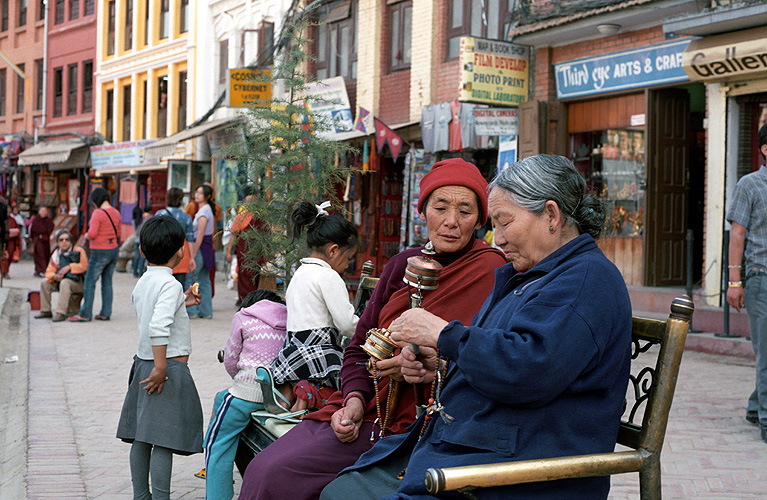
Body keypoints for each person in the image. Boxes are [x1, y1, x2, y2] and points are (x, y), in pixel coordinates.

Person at [320, 154, 632, 500]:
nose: (497, 239)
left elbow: (527, 369)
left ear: (551, 216)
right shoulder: (534, 276)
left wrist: (442, 334)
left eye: (504, 222)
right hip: (475, 448)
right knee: (341, 491)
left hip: (517, 469)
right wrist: (439, 365)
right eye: (494, 226)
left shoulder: (583, 280)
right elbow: (508, 351)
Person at [238, 158, 507, 500]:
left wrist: (434, 368)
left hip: (431, 426)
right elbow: (357, 348)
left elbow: (496, 358)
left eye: (465, 212)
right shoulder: (401, 265)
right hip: (371, 414)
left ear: (480, 220)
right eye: (440, 207)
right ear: (423, 211)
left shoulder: (491, 271)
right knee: (270, 470)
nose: (451, 222)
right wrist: (352, 399)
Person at [116, 215, 203, 500]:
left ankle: (141, 496)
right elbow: (158, 326)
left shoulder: (144, 281)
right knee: (162, 441)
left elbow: (154, 312)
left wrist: (184, 301)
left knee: (142, 438)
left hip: (143, 364)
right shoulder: (170, 285)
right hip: (165, 369)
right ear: (180, 251)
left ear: (141, 251)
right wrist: (162, 366)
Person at [269, 201, 360, 412]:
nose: (347, 266)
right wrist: (367, 328)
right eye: (348, 259)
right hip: (319, 352)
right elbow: (346, 324)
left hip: (292, 351)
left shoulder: (299, 273)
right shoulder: (328, 276)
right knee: (345, 386)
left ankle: (290, 395)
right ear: (333, 250)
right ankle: (307, 394)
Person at [202, 289, 288, 500]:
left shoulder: (243, 317)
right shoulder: (289, 319)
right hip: (277, 398)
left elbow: (231, 358)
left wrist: (240, 380)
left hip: (244, 395)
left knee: (217, 446)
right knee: (222, 398)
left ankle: (217, 496)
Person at [727, 123, 767, 443]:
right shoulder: (749, 185)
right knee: (766, 352)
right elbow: (737, 235)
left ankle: (756, 406)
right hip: (760, 278)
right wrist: (734, 281)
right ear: (765, 149)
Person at [69, 188, 121, 322]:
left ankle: (85, 313)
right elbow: (119, 233)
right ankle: (105, 312)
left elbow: (92, 234)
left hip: (99, 251)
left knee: (90, 282)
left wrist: (86, 235)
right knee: (107, 282)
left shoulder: (98, 213)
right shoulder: (116, 212)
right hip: (113, 250)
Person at [35, 230, 88, 322]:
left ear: (70, 241)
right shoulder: (56, 254)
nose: (64, 242)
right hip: (61, 282)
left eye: (67, 239)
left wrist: (70, 267)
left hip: (78, 282)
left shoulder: (78, 250)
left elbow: (84, 266)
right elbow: (49, 271)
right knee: (44, 283)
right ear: (58, 242)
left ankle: (60, 313)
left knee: (65, 282)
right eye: (61, 240)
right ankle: (46, 310)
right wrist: (55, 277)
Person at [227, 187, 266, 305]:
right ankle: (244, 299)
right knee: (243, 278)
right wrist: (229, 252)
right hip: (243, 252)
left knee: (254, 277)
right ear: (244, 200)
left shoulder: (262, 216)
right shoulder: (241, 216)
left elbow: (266, 235)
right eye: (249, 200)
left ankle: (252, 300)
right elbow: (233, 235)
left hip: (256, 252)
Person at [187, 184, 216, 319]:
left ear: (207, 196)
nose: (197, 195)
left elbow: (200, 234)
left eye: (200, 193)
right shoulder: (206, 209)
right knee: (204, 280)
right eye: (196, 192)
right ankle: (205, 310)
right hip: (207, 247)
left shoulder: (204, 212)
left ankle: (193, 309)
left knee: (194, 278)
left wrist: (193, 253)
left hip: (202, 247)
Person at [155, 188, 194, 288]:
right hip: (181, 255)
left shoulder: (159, 214)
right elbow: (190, 240)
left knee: (162, 286)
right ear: (181, 200)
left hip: (162, 255)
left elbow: (153, 236)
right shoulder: (186, 217)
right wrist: (192, 258)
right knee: (179, 288)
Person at [29, 205, 54, 277]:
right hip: (38, 240)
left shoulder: (48, 220)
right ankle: (41, 270)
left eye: (45, 211)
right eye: (42, 211)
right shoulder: (36, 220)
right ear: (39, 212)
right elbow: (33, 230)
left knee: (46, 254)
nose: (44, 212)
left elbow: (51, 228)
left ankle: (43, 269)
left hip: (45, 240)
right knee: (40, 254)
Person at [1, 203, 22, 278]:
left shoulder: (13, 220)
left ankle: (5, 271)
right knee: (3, 257)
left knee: (9, 257)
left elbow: (17, 230)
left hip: (11, 242)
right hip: (2, 241)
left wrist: (18, 243)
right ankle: (4, 272)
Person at [132, 206, 153, 277]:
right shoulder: (144, 220)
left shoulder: (134, 221)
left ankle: (135, 272)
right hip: (143, 240)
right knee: (143, 258)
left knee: (136, 257)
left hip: (136, 240)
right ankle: (141, 272)